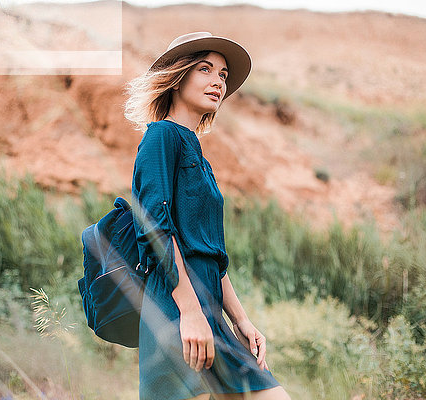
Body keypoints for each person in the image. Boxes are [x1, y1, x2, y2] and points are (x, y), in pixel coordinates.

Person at [124, 32, 292, 400]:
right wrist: (190, 311)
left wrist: (242, 321)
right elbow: (154, 231)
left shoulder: (196, 151)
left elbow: (211, 254)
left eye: (224, 75)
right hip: (176, 309)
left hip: (209, 310)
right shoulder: (161, 138)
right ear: (177, 75)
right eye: (205, 69)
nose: (218, 81)